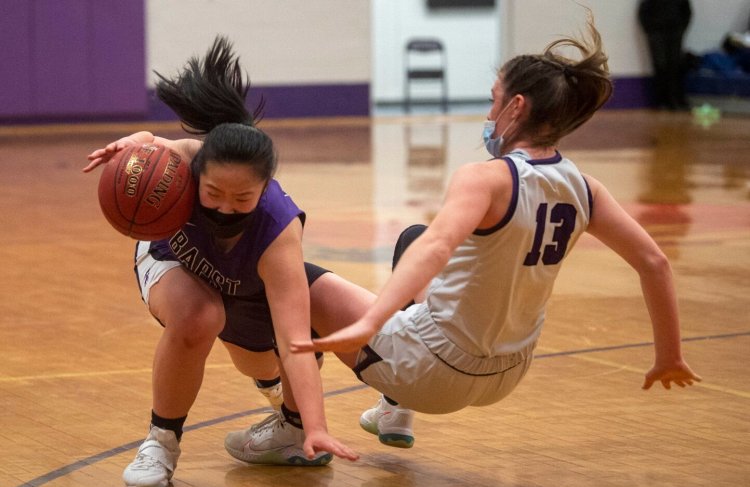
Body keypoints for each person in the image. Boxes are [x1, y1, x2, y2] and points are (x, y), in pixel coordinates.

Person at [266, 11, 701, 451]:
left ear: (516, 107)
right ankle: (395, 413)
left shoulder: (486, 178)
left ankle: (293, 428)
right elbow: (655, 262)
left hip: (430, 370)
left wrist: (370, 323)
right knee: (412, 237)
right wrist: (669, 355)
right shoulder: (587, 189)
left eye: (495, 100)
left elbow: (439, 248)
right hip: (506, 374)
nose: (489, 112)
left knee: (294, 277)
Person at [83, 36, 357, 487]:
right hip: (172, 253)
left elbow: (296, 339)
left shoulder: (279, 230)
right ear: (197, 173)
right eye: (213, 194)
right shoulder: (184, 162)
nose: (226, 208)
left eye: (242, 198)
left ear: (265, 188)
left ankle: (282, 409)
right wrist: (137, 142)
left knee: (262, 357)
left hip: (234, 275)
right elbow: (151, 147)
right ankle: (161, 442)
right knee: (199, 316)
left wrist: (317, 425)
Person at [638, 0, 693, 110]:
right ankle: (662, 100)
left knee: (675, 66)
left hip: (674, 32)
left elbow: (687, 11)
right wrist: (650, 30)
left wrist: (680, 29)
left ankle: (676, 99)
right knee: (660, 65)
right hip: (657, 33)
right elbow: (643, 12)